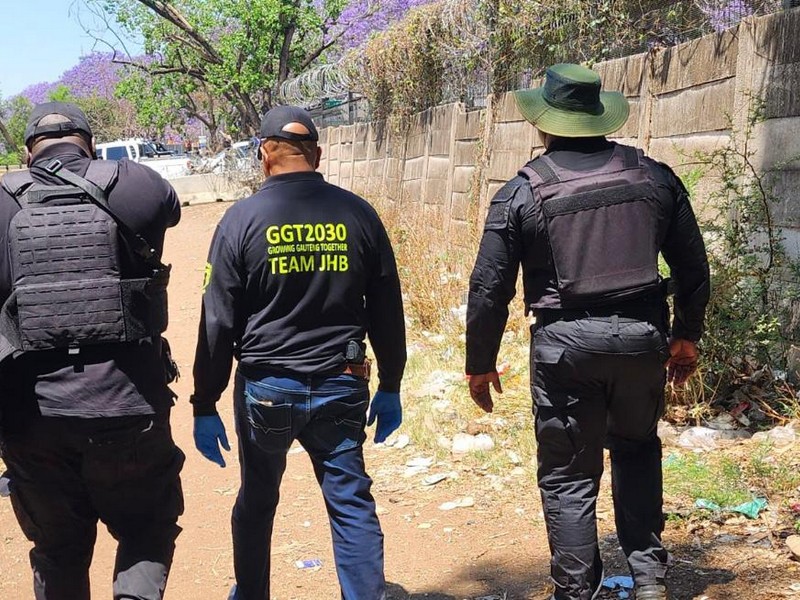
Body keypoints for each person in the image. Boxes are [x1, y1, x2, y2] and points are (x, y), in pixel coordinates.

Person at [465, 64, 710, 600]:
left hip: (565, 350)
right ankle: (649, 580)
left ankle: (576, 591)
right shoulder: (654, 178)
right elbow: (693, 267)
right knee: (637, 449)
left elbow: (488, 288)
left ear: (542, 123)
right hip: (643, 340)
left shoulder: (522, 192)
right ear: (599, 116)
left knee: (569, 474)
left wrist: (479, 363)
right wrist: (686, 335)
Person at [190, 105, 406, 600]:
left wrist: (205, 402)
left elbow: (217, 319)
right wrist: (391, 383)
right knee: (351, 502)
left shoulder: (240, 220)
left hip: (268, 389)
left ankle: (252, 593)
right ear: (318, 155)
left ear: (264, 154)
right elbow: (387, 307)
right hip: (342, 382)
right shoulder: (359, 214)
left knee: (257, 498)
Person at [0, 102, 184, 600]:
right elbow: (169, 210)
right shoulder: (138, 183)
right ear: (91, 145)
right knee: (145, 532)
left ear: (28, 153)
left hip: (30, 417)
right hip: (127, 406)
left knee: (58, 550)